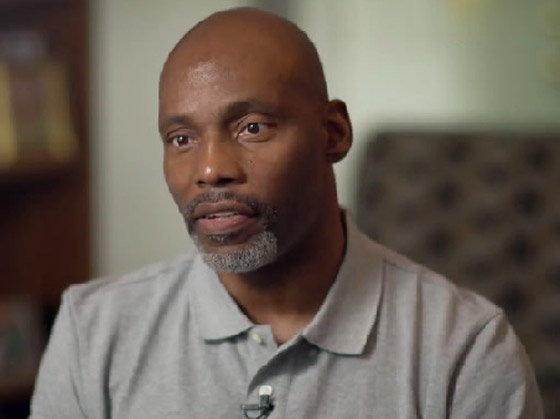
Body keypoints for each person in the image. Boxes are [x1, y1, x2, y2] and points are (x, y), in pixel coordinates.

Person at [29, 7, 543, 419]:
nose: (210, 170)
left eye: (252, 128)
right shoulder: (92, 332)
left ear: (333, 133)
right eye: (181, 139)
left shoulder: (466, 350)